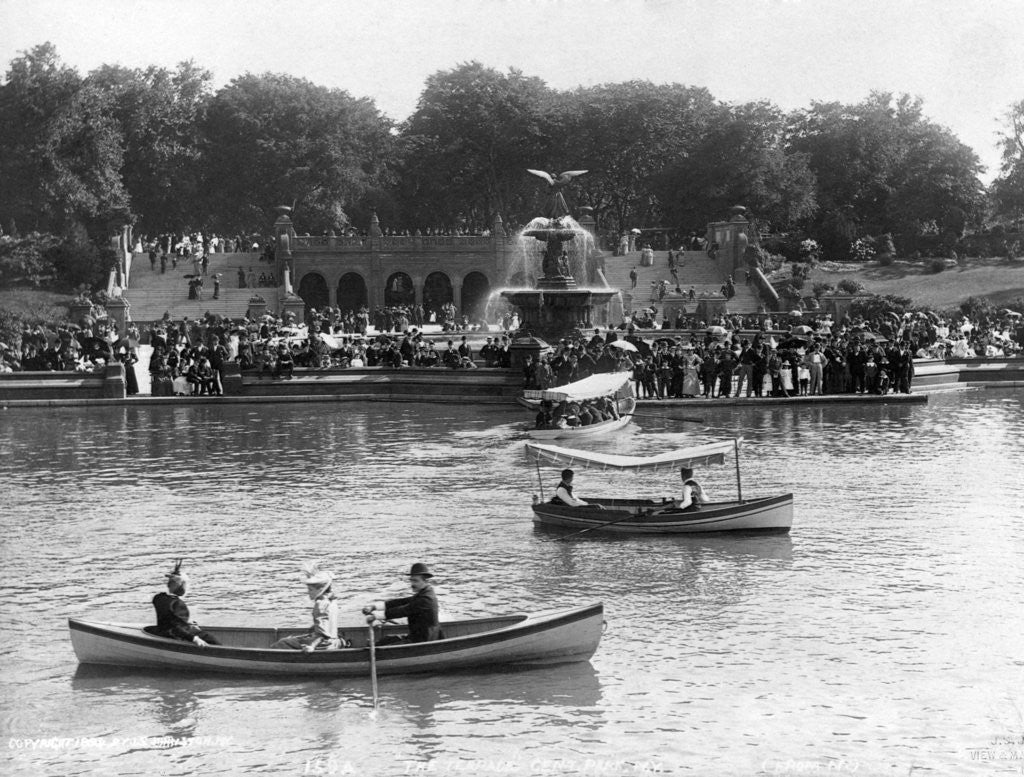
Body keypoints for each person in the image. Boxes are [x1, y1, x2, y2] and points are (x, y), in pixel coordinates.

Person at [271, 562, 346, 651]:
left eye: (310, 589)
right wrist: (314, 628)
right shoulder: (332, 601)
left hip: (324, 645)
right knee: (299, 637)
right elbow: (326, 624)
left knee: (281, 643)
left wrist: (312, 646)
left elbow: (322, 635)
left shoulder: (320, 605)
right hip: (335, 642)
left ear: (320, 590)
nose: (308, 592)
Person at [144, 559, 221, 646]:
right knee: (210, 638)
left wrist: (188, 623)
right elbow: (176, 628)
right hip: (175, 635)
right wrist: (194, 638)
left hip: (163, 632)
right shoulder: (177, 604)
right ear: (181, 586)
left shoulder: (158, 598)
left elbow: (170, 618)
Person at [362, 563, 441, 644]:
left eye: (415, 581)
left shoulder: (426, 599)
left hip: (425, 641)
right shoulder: (424, 593)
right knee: (386, 640)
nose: (412, 584)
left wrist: (375, 616)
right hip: (417, 637)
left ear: (426, 581)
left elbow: (403, 610)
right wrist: (374, 607)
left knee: (386, 647)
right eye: (411, 580)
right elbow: (401, 602)